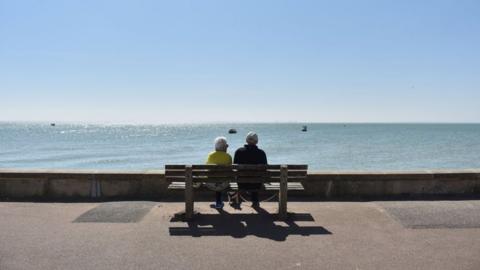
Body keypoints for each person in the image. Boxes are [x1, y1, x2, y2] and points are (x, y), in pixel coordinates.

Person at [234, 132, 267, 207]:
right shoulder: (261, 153)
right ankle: (255, 200)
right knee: (256, 179)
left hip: (241, 183)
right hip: (257, 184)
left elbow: (235, 167)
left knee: (244, 177)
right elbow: (265, 169)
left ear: (246, 140)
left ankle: (237, 198)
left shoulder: (238, 152)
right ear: (257, 141)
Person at [205, 136, 232, 209]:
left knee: (216, 178)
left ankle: (218, 202)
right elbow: (230, 171)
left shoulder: (211, 155)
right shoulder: (228, 156)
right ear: (225, 147)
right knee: (221, 179)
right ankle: (219, 202)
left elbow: (207, 170)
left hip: (211, 183)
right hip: (224, 184)